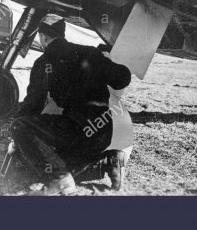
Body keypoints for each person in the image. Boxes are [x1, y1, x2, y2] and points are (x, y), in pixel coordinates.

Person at [11, 14, 132, 195]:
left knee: (21, 128)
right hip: (103, 132)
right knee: (63, 162)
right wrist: (105, 62)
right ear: (62, 33)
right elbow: (122, 78)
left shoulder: (44, 62)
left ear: (43, 37)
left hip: (76, 130)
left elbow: (33, 105)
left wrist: (16, 133)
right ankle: (109, 159)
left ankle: (59, 180)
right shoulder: (91, 53)